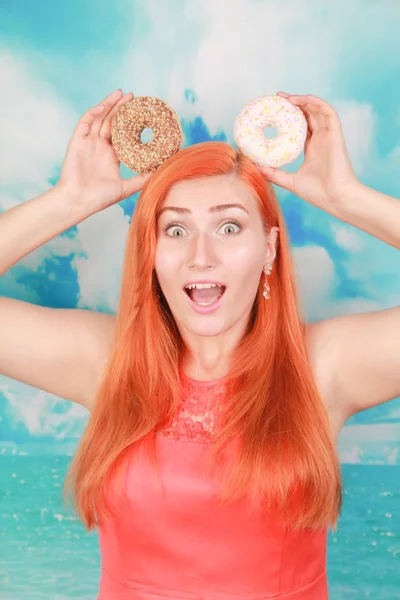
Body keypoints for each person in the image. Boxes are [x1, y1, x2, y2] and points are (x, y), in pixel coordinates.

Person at [0, 88, 399, 599]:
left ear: (269, 249)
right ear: (151, 253)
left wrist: (349, 198)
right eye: (175, 230)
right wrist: (68, 200)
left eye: (229, 226)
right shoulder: (105, 360)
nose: (200, 255)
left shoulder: (323, 366)